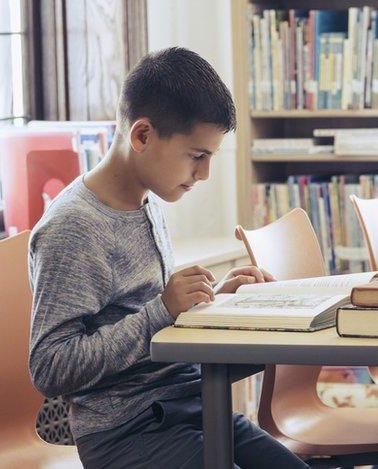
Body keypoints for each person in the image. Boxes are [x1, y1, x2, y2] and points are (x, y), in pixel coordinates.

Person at [28, 47, 309, 468]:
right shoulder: (73, 227)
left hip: (192, 405)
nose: (204, 174)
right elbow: (50, 367)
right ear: (142, 136)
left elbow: (144, 318)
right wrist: (161, 311)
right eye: (197, 156)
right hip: (126, 431)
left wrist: (213, 300)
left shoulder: (148, 201)